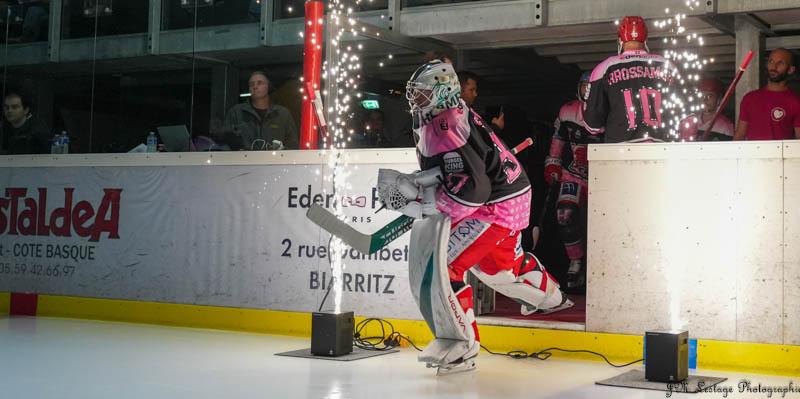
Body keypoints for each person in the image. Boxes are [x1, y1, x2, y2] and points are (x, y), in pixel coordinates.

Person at [377, 60, 571, 375]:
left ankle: (461, 347)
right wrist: (421, 187)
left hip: (496, 205)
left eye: (423, 94)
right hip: (508, 195)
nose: (416, 101)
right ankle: (552, 297)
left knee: (444, 266)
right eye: (415, 95)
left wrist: (425, 202)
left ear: (442, 92)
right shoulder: (446, 115)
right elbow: (458, 175)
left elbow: (471, 191)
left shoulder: (447, 126)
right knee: (499, 270)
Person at [544, 71, 603, 293]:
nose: (588, 91)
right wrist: (552, 164)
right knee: (565, 213)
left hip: (606, 178)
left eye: (592, 87)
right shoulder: (567, 111)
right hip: (575, 175)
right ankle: (575, 261)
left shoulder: (612, 111)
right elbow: (557, 140)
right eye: (584, 86)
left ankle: (600, 265)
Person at [583, 16, 676, 143]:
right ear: (646, 39)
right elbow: (686, 118)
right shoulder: (667, 66)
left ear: (620, 40)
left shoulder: (604, 68)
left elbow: (592, 126)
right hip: (660, 148)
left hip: (620, 150)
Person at [734, 48, 800, 141]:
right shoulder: (750, 98)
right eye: (771, 61)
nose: (774, 66)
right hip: (752, 155)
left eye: (780, 63)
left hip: (781, 155)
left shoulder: (796, 102)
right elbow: (740, 135)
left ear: (790, 70)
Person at [224, 71, 299, 150]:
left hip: (274, 161)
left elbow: (293, 145)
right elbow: (226, 143)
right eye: (251, 84)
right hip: (244, 161)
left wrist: (282, 151)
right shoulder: (236, 112)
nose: (255, 86)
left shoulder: (282, 114)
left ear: (268, 86)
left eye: (259, 83)